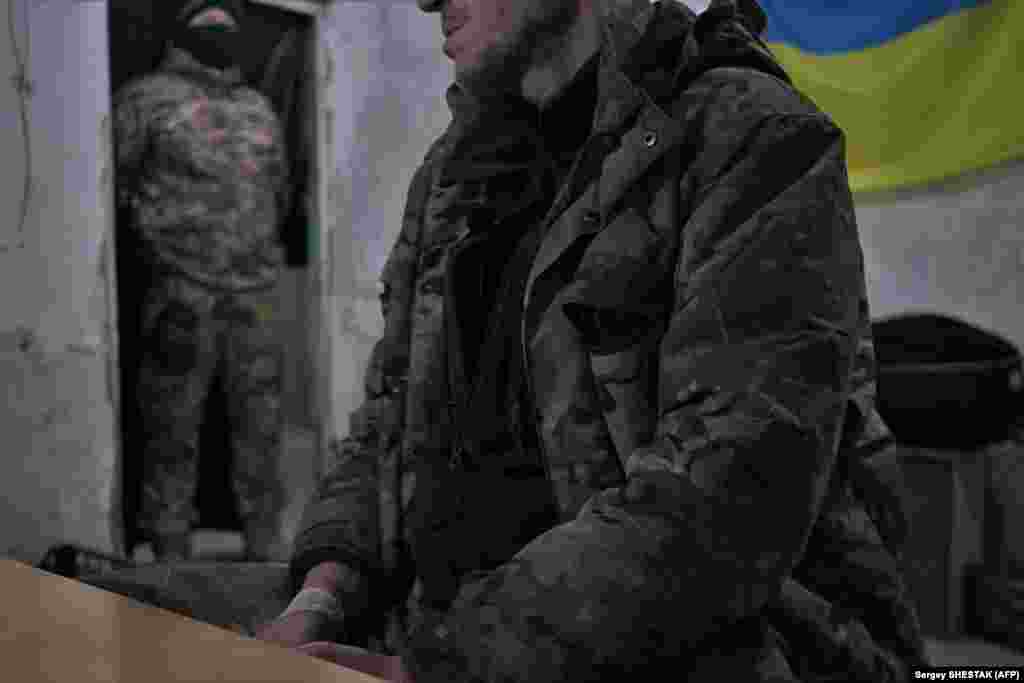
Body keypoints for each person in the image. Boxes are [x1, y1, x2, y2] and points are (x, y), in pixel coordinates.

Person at [256, 0, 927, 680]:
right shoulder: (455, 174)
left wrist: (441, 667)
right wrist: (323, 593)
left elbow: (723, 501)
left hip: (701, 651)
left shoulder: (747, 136)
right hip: (449, 637)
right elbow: (388, 418)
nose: (427, 1)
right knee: (197, 613)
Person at [112, 0, 290, 561]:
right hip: (180, 290)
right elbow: (114, 185)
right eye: (207, 27)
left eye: (227, 28)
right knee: (171, 429)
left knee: (261, 431)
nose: (219, 36)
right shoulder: (144, 100)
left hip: (255, 292)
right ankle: (169, 561)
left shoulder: (258, 107)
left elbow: (280, 192)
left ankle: (267, 557)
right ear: (182, 34)